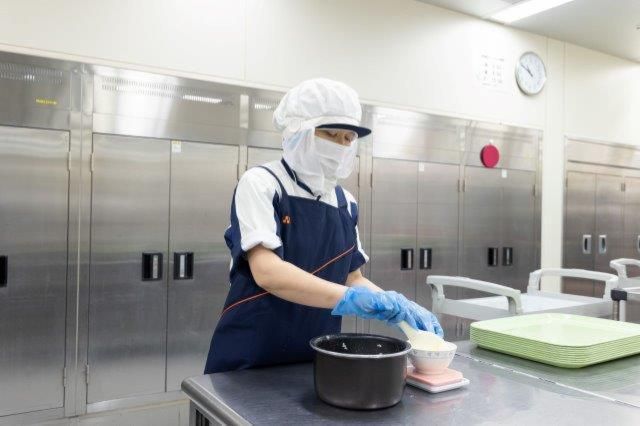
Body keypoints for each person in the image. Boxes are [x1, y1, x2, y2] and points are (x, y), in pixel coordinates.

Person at [204, 78, 443, 373]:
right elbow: (267, 271)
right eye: (331, 134)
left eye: (348, 139)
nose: (341, 146)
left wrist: (393, 304)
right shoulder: (263, 184)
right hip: (250, 356)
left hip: (316, 354)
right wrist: (349, 299)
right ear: (298, 131)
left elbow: (352, 277)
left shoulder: (345, 203)